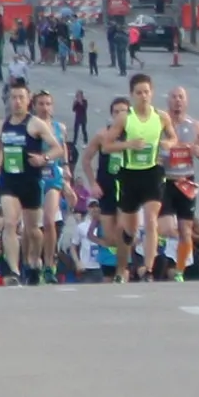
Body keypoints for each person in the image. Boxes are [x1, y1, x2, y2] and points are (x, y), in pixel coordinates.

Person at [97, 75, 175, 280]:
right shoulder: (125, 119)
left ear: (152, 93)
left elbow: (173, 137)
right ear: (132, 95)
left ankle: (149, 269)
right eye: (139, 93)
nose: (143, 96)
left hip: (153, 172)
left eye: (147, 92)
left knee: (150, 220)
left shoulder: (161, 117)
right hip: (130, 174)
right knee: (129, 228)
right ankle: (129, 238)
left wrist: (168, 144)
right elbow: (106, 146)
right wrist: (127, 145)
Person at [0, 82, 63, 283]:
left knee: (33, 230)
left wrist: (44, 159)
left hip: (31, 181)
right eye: (13, 98)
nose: (17, 102)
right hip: (9, 180)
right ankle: (14, 271)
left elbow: (57, 148)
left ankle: (34, 261)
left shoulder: (36, 124)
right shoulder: (1, 125)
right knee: (10, 223)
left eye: (21, 98)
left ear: (28, 99)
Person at [157, 86, 199, 280]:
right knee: (165, 229)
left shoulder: (195, 126)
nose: (177, 101)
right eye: (173, 97)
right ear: (168, 101)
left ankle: (179, 270)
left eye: (181, 97)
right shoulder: (160, 125)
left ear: (186, 101)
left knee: (185, 230)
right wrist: (161, 154)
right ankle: (162, 258)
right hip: (165, 180)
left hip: (186, 181)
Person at [80, 98, 131, 280]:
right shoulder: (103, 135)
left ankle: (122, 270)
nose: (119, 115)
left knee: (123, 228)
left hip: (127, 188)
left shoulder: (133, 135)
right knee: (110, 236)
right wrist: (93, 183)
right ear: (111, 114)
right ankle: (119, 265)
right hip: (106, 188)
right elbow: (86, 160)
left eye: (123, 111)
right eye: (116, 112)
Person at [31, 91, 70, 285]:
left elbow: (63, 149)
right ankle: (33, 262)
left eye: (48, 104)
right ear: (35, 106)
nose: (45, 107)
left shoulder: (59, 127)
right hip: (33, 176)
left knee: (49, 221)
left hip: (52, 176)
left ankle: (48, 264)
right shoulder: (30, 126)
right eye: (41, 104)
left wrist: (66, 169)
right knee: (33, 225)